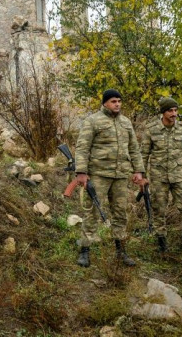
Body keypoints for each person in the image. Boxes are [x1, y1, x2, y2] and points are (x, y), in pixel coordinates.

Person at [74, 89, 145, 267]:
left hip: (121, 175)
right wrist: (81, 172)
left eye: (119, 101)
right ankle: (85, 250)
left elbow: (134, 149)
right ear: (105, 103)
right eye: (114, 101)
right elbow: (83, 148)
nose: (117, 104)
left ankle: (121, 251)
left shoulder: (126, 122)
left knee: (120, 213)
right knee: (93, 212)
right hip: (99, 174)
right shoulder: (93, 121)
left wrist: (139, 170)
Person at [140, 97, 182, 252]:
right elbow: (144, 154)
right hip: (159, 177)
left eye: (176, 110)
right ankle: (161, 241)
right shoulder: (151, 129)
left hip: (180, 177)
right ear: (163, 112)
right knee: (158, 210)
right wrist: (142, 175)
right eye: (170, 111)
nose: (174, 114)